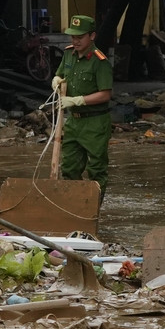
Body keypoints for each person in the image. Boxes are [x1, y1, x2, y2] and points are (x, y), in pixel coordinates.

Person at [51, 14, 113, 198]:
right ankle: (76, 205)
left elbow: (105, 94)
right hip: (73, 122)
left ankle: (92, 210)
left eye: (80, 37)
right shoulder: (68, 54)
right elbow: (60, 74)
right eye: (73, 37)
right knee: (69, 167)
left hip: (95, 122)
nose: (75, 41)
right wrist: (56, 80)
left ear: (92, 36)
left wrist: (78, 100)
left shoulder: (99, 61)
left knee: (96, 170)